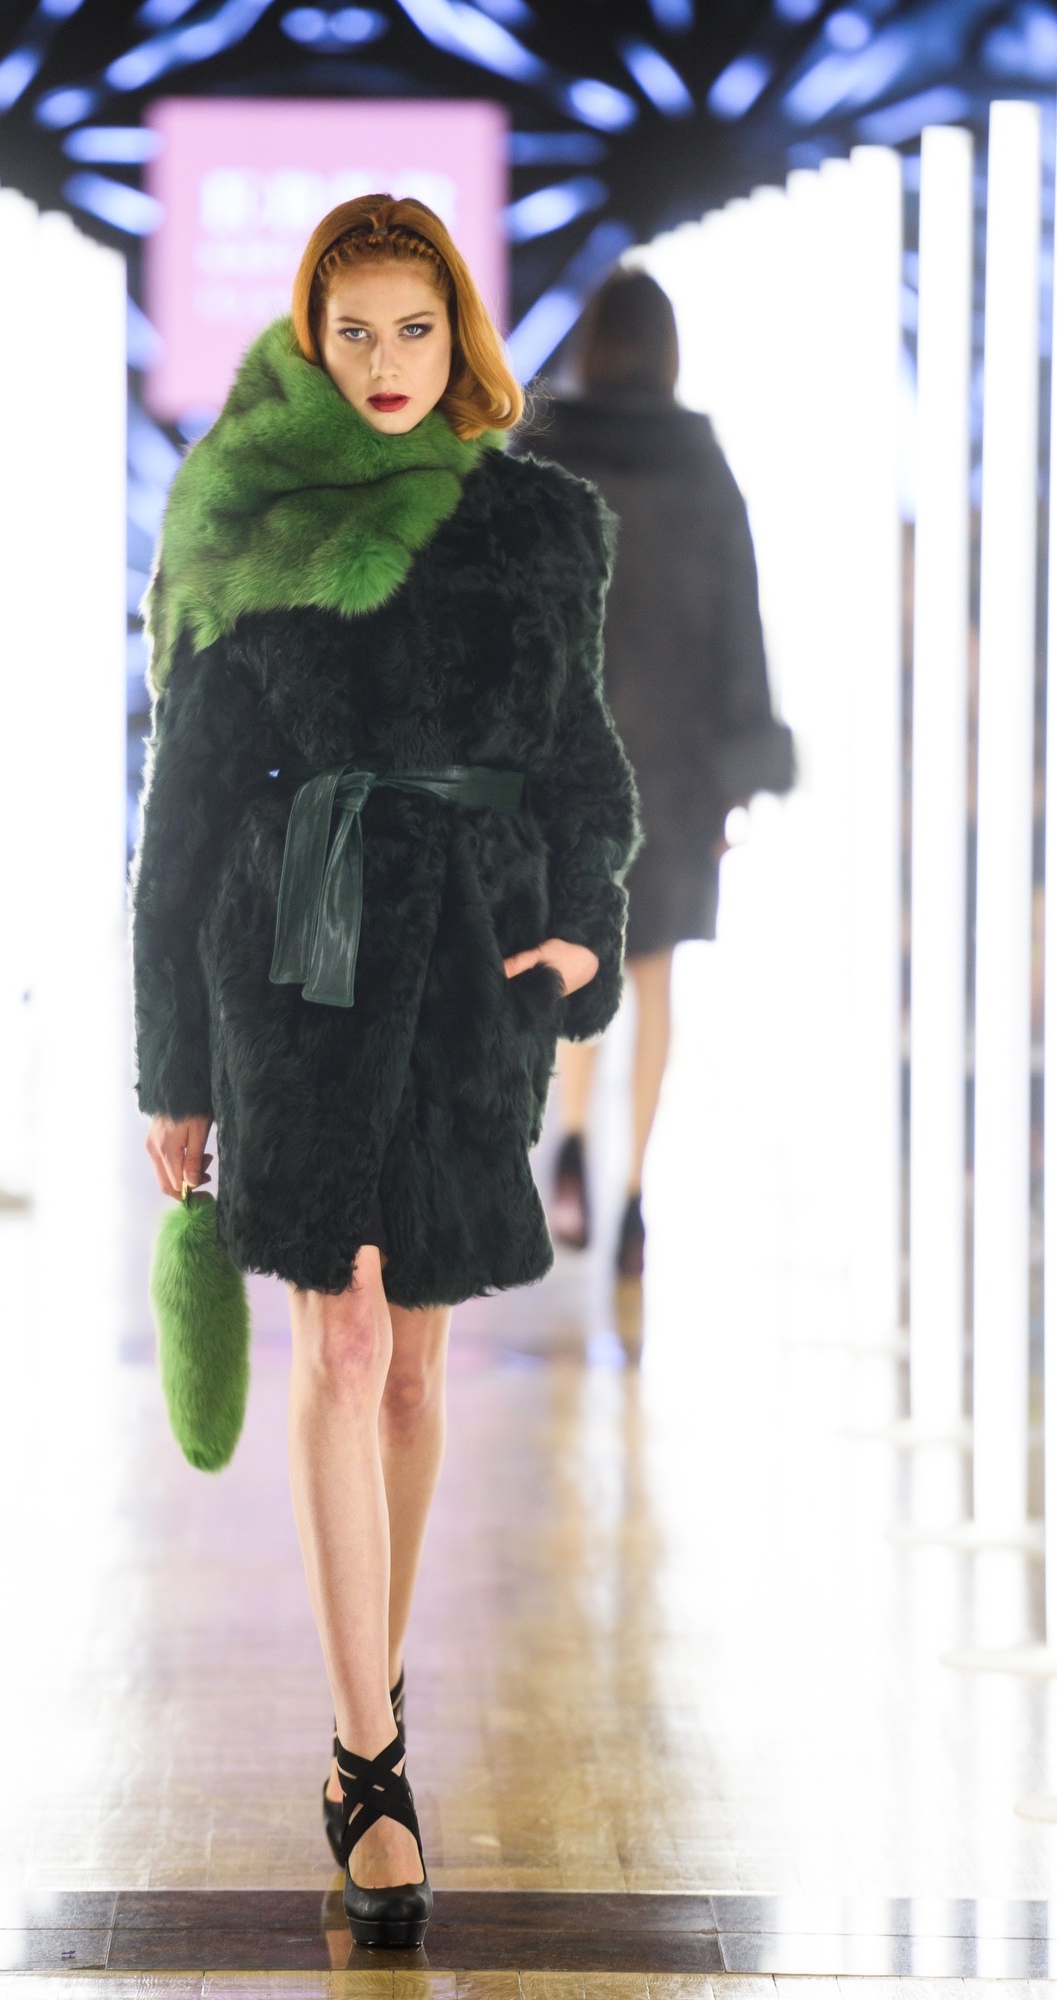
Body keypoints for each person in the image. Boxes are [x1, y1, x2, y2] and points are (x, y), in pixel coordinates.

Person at [129, 194, 640, 1949]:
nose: (384, 362)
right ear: (308, 334)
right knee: (339, 1340)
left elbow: (580, 757)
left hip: (470, 970)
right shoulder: (249, 515)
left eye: (413, 328)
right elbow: (185, 808)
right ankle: (368, 1764)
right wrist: (173, 1059)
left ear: (459, 334)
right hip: (293, 955)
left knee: (416, 1364)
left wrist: (581, 930)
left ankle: (379, 1689)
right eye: (351, 331)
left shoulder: (537, 527)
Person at [533, 268, 793, 1282]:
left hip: (573, 759)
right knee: (655, 977)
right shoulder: (701, 465)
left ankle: (571, 1143)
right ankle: (636, 1195)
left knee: (578, 954)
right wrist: (741, 770)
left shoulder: (545, 452)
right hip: (678, 768)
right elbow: (740, 624)